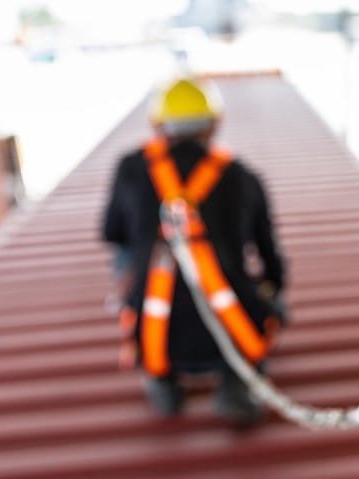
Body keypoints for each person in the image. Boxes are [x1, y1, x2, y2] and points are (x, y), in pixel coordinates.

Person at [102, 77, 286, 424]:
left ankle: (162, 381)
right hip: (233, 329)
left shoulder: (130, 168)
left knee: (129, 258)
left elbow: (111, 233)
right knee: (257, 295)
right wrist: (275, 296)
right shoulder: (242, 176)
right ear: (215, 124)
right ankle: (236, 384)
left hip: (156, 332)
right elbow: (270, 256)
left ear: (158, 126)